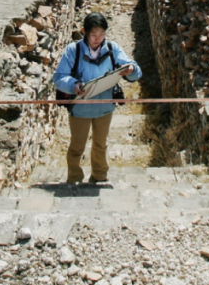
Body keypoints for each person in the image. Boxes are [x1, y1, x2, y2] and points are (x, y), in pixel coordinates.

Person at [53, 12, 142, 183]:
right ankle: (74, 177)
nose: (97, 38)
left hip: (104, 107)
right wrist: (74, 85)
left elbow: (134, 70)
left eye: (101, 34)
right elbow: (59, 77)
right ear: (84, 32)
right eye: (93, 34)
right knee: (77, 146)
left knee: (101, 144)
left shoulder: (112, 48)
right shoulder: (74, 50)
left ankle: (99, 176)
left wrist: (130, 69)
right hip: (80, 108)